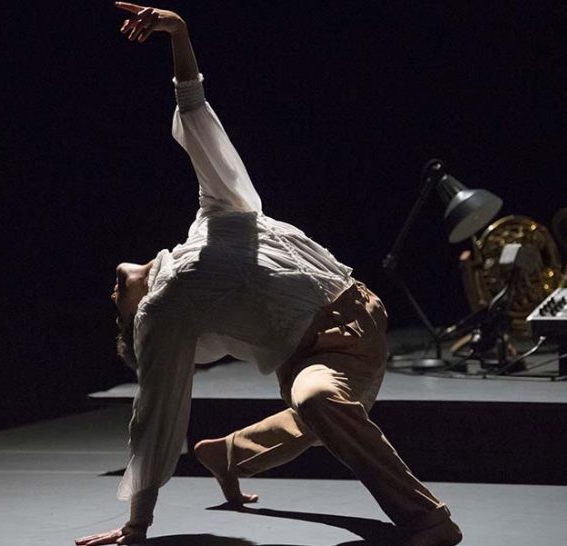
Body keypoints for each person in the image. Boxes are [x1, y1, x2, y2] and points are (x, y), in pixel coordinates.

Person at [77, 4, 463, 545]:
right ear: (136, 322)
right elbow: (155, 417)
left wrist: (179, 34)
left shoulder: (213, 216)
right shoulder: (163, 316)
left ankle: (227, 454)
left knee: (317, 416)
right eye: (116, 305)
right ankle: (429, 519)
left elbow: (196, 120)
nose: (110, 289)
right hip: (322, 357)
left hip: (362, 309)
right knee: (317, 403)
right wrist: (137, 525)